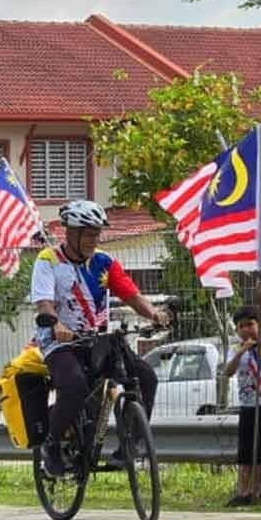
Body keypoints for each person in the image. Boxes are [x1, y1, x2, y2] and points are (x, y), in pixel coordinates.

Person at [32, 200, 170, 477]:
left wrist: (155, 315)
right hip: (61, 343)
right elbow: (44, 303)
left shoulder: (104, 262)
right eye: (90, 234)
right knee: (74, 386)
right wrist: (56, 323)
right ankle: (53, 443)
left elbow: (132, 295)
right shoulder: (48, 260)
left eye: (97, 234)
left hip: (99, 339)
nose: (95, 240)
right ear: (71, 233)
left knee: (145, 377)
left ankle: (131, 444)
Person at [223, 283, 261, 506]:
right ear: (236, 330)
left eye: (251, 324)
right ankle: (242, 491)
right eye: (242, 326)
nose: (247, 329)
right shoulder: (237, 349)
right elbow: (227, 372)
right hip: (247, 406)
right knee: (245, 452)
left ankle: (257, 492)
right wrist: (240, 353)